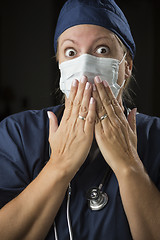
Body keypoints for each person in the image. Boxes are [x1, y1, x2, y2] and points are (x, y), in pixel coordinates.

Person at [0, 0, 160, 239]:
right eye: (71, 52)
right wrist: (60, 165)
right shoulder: (18, 134)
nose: (84, 66)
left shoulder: (156, 136)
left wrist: (129, 165)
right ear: (61, 67)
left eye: (102, 50)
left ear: (126, 67)